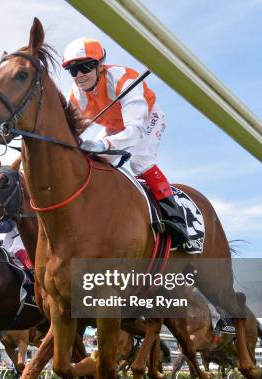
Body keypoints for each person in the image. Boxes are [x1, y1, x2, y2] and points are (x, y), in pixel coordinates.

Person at [62, 37, 189, 244]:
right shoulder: (75, 96)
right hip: (113, 125)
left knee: (141, 161)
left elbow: (134, 131)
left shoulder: (123, 80)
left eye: (85, 67)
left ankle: (176, 218)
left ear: (100, 66)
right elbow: (67, 132)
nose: (80, 75)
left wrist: (105, 145)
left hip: (146, 118)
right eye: (73, 70)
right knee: (90, 162)